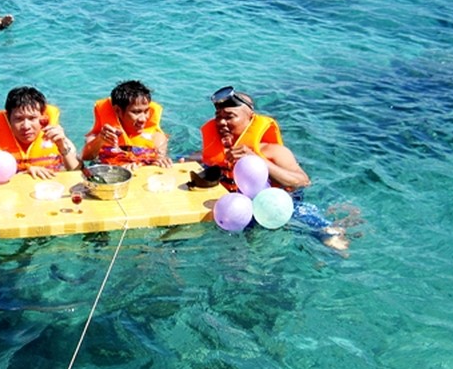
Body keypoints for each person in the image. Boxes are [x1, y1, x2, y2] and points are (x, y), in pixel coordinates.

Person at [200, 86, 349, 250]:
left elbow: (302, 181)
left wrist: (258, 161)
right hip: (237, 210)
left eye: (229, 117)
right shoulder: (216, 150)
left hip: (280, 208)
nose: (221, 122)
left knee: (330, 239)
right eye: (218, 117)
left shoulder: (273, 151)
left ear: (250, 118)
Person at [0, 86, 80, 179]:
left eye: (32, 118)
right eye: (18, 119)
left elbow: (78, 173)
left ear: (43, 117)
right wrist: (26, 173)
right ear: (8, 119)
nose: (26, 126)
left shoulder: (58, 139)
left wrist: (61, 146)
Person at [81, 80, 172, 167]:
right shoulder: (102, 135)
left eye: (146, 111)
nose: (143, 119)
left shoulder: (156, 137)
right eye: (136, 112)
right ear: (118, 110)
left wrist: (161, 162)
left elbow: (159, 159)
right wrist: (100, 139)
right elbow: (87, 157)